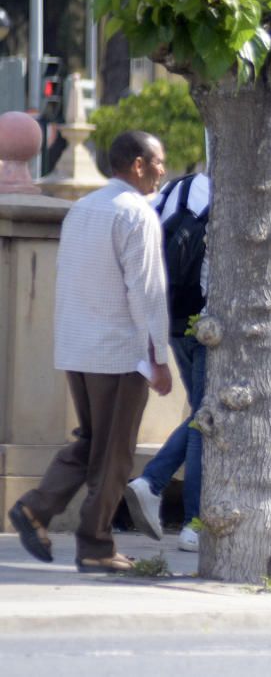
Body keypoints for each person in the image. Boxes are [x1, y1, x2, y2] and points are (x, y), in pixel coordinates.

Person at [7, 131, 171, 573]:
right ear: (137, 164)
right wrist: (158, 356)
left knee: (94, 441)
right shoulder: (136, 214)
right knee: (115, 452)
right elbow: (147, 293)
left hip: (78, 346)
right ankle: (95, 543)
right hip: (119, 353)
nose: (163, 170)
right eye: (158, 161)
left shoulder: (83, 208)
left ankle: (36, 508)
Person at [124, 173, 210, 553]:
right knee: (207, 422)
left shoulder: (174, 190)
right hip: (210, 325)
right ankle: (193, 521)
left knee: (202, 414)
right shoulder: (236, 194)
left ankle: (152, 483)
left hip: (174, 320)